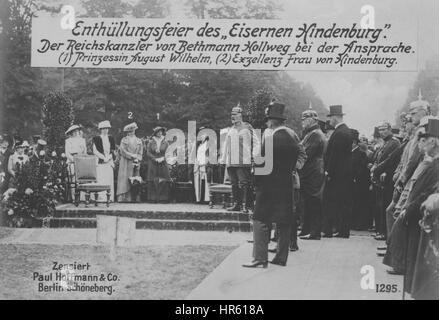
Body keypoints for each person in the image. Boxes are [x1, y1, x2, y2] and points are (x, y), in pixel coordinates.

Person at [242, 102, 300, 268]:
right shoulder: (292, 140)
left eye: (268, 121)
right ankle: (281, 257)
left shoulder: (270, 140)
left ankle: (260, 258)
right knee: (284, 221)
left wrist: (256, 185)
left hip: (268, 188)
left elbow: (260, 168)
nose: (267, 123)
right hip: (285, 186)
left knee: (260, 220)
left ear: (273, 122)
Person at [398, 118, 439, 296]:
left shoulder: (436, 165)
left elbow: (427, 192)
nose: (422, 144)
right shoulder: (433, 163)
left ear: (434, 142)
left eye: (425, 139)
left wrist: (410, 208)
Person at [220, 105, 260, 213]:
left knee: (244, 183)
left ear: (240, 116)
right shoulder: (230, 130)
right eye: (231, 115)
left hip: (243, 161)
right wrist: (223, 159)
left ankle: (246, 205)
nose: (232, 117)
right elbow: (226, 146)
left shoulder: (248, 127)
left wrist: (253, 156)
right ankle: (236, 204)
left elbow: (256, 143)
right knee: (233, 184)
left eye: (235, 115)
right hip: (231, 162)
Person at [322, 105, 353, 238]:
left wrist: (328, 171)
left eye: (331, 118)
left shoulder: (339, 133)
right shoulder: (345, 131)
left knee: (333, 202)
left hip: (337, 175)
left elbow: (334, 155)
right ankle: (342, 230)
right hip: (344, 174)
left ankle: (332, 230)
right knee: (342, 202)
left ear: (335, 117)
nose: (330, 121)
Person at [298, 109, 326, 240]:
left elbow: (305, 154)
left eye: (305, 119)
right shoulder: (313, 133)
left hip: (312, 172)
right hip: (312, 171)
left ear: (313, 120)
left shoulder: (314, 134)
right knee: (309, 202)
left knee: (313, 201)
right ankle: (307, 229)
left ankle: (314, 232)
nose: (302, 121)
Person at [371, 122, 400, 240]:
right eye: (380, 130)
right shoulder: (386, 143)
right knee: (380, 205)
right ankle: (381, 230)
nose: (381, 132)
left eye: (384, 130)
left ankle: (385, 232)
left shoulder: (395, 142)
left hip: (387, 178)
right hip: (380, 177)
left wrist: (385, 171)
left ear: (389, 129)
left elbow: (393, 160)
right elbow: (379, 158)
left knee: (385, 204)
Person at [117, 122, 143, 202]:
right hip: (125, 162)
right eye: (130, 131)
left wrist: (138, 158)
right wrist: (132, 155)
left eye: (133, 130)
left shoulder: (139, 141)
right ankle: (123, 197)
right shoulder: (124, 140)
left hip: (135, 162)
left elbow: (141, 152)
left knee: (135, 178)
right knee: (124, 178)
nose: (131, 132)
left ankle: (134, 197)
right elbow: (122, 151)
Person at [351, 129, 371, 230]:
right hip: (356, 182)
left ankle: (360, 224)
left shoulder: (360, 153)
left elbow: (361, 169)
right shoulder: (353, 152)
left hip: (360, 182)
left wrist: (354, 177)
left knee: (360, 203)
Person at [146, 126, 171, 203]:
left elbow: (168, 152)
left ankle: (163, 198)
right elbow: (148, 152)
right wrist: (155, 159)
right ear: (155, 133)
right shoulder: (151, 142)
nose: (160, 133)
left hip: (163, 163)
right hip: (153, 163)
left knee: (164, 178)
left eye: (161, 132)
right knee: (153, 179)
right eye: (158, 132)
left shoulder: (165, 142)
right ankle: (152, 198)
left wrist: (163, 158)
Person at [93, 120, 116, 202]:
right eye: (103, 128)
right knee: (101, 178)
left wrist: (109, 157)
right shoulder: (96, 139)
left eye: (107, 128)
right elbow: (95, 151)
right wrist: (103, 158)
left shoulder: (111, 138)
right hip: (100, 161)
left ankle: (109, 198)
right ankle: (100, 198)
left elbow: (113, 150)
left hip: (109, 161)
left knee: (108, 179)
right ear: (100, 129)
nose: (105, 130)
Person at [65, 124, 87, 201]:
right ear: (71, 132)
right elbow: (67, 153)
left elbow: (85, 151)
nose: (76, 132)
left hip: (81, 160)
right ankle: (74, 197)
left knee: (82, 179)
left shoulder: (82, 140)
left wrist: (82, 159)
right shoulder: (68, 141)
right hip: (72, 161)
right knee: (73, 179)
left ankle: (82, 198)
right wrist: (74, 161)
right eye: (74, 131)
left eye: (77, 131)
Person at [194, 133, 211, 203]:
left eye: (203, 135)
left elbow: (209, 156)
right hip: (198, 165)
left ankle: (207, 199)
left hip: (205, 165)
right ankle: (199, 199)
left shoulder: (209, 144)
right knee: (198, 182)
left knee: (206, 182)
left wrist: (205, 163)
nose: (201, 137)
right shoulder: (199, 145)